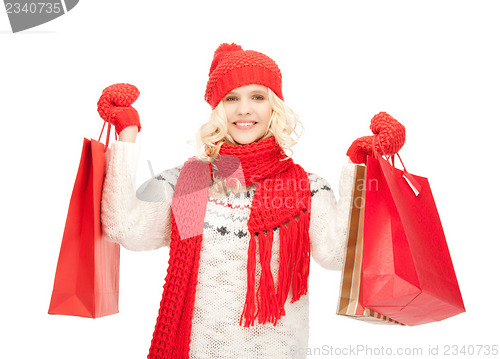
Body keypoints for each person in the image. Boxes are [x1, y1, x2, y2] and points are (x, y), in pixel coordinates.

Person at [98, 43, 404, 359]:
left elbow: (336, 254)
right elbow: (126, 228)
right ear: (218, 109)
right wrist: (127, 134)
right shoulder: (194, 184)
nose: (244, 109)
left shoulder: (306, 187)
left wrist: (361, 167)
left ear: (274, 106)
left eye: (257, 97)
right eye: (232, 98)